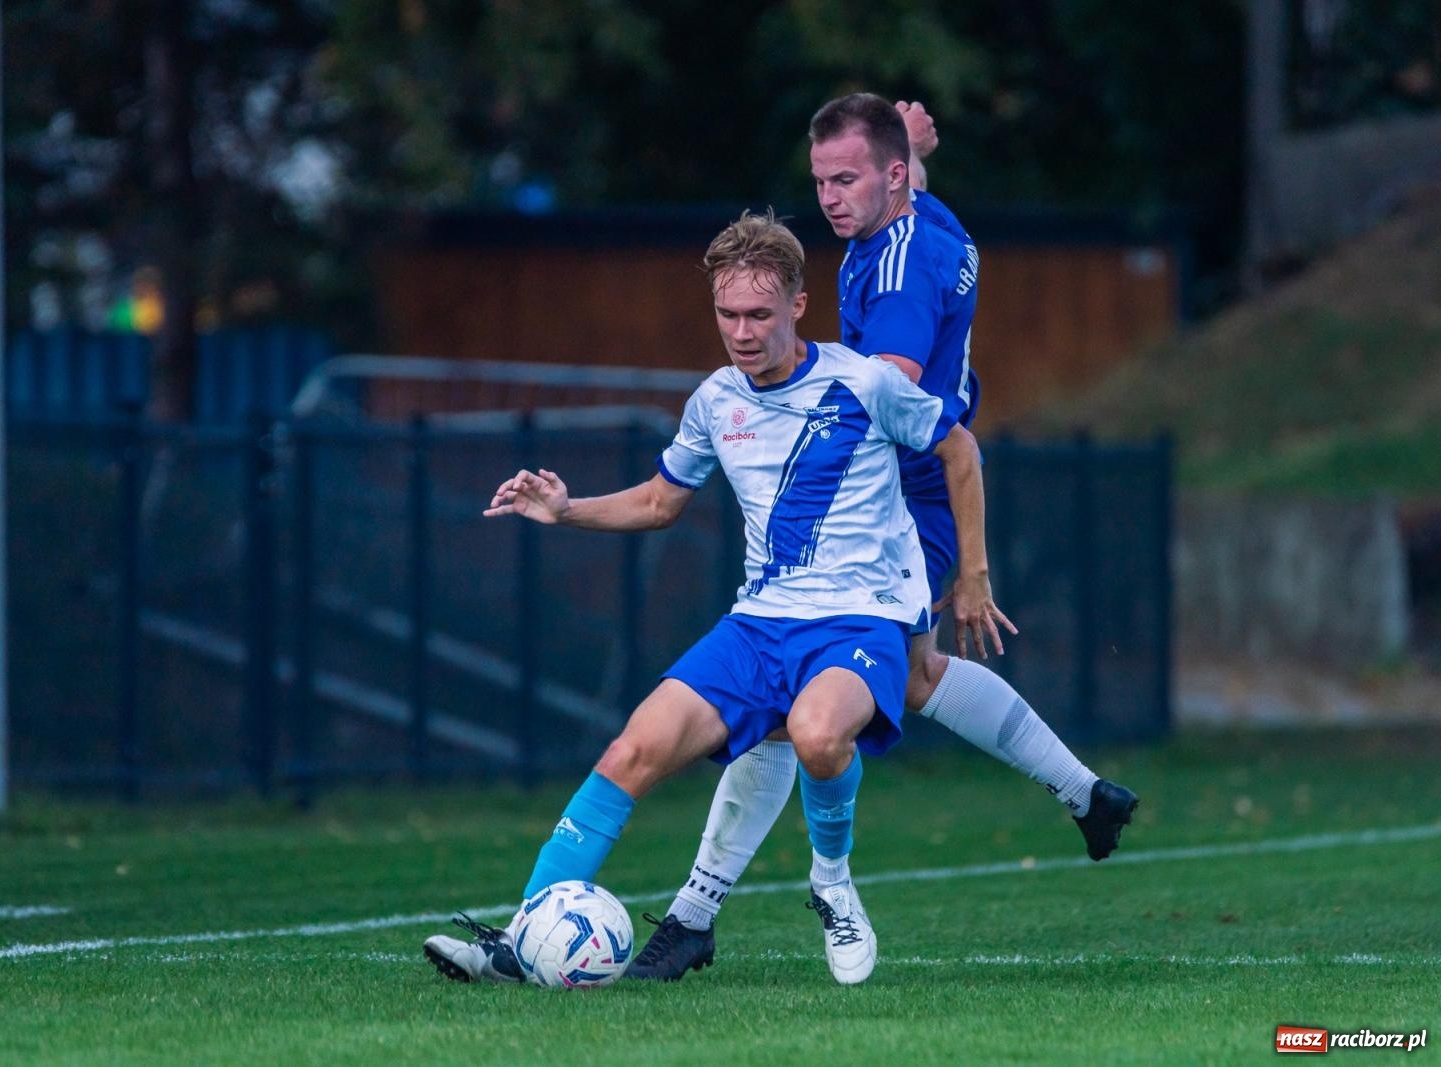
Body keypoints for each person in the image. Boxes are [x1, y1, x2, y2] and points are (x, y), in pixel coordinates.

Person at [626, 93, 1140, 982]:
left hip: (894, 499)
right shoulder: (916, 222)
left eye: (847, 178)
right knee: (907, 675)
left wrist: (772, 404)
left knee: (795, 705)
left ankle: (696, 913)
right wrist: (913, 155)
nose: (828, 198)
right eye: (821, 179)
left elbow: (877, 395)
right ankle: (1087, 792)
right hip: (906, 495)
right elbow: (906, 217)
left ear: (892, 176)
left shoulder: (897, 276)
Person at [423, 210, 983, 987]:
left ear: (797, 305)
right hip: (757, 626)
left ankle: (832, 881)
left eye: (759, 313)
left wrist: (974, 573)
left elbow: (959, 446)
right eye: (728, 314)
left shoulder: (864, 382)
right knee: (629, 753)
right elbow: (659, 502)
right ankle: (521, 941)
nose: (742, 331)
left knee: (818, 736)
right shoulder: (718, 400)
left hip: (859, 617)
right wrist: (565, 508)